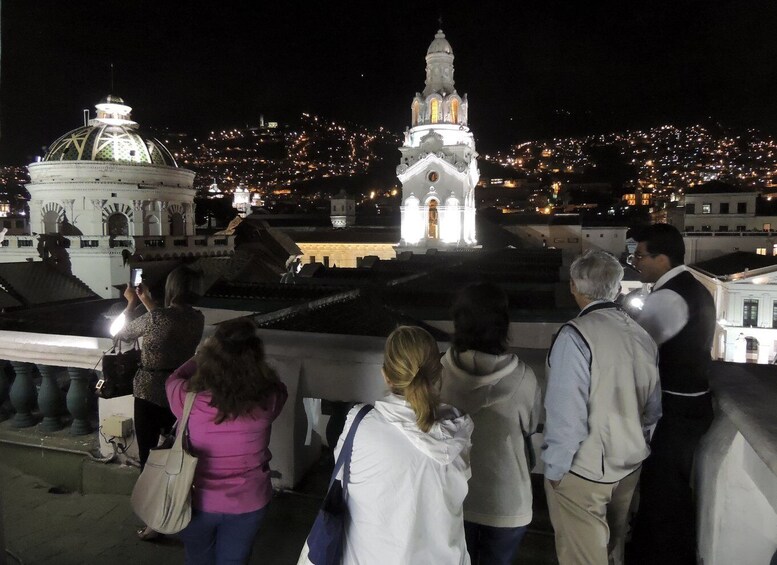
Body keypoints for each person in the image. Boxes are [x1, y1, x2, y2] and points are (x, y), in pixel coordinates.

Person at [542, 250, 662, 565]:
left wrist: (555, 471)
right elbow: (653, 410)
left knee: (581, 556)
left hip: (584, 470)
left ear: (574, 287)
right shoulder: (641, 335)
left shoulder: (575, 336)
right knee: (613, 549)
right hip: (630, 463)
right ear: (617, 288)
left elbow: (567, 415)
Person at [335, 326, 473, 564]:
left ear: (385, 375)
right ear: (438, 373)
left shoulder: (359, 425)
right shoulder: (458, 429)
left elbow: (341, 476)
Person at [627, 223, 716, 564]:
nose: (637, 262)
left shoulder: (667, 297)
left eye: (641, 256)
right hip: (692, 404)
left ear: (662, 259)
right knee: (672, 489)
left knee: (664, 491)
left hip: (675, 410)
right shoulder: (693, 288)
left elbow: (638, 350)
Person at [167, 317, 287, 565]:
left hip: (194, 497)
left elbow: (172, 379)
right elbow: (278, 386)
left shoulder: (188, 400)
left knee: (198, 559)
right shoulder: (269, 400)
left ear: (210, 360)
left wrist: (198, 357)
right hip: (249, 500)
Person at [440, 283, 541, 565]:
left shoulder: (438, 374)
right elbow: (531, 426)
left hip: (453, 497)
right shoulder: (523, 378)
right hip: (507, 500)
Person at [117, 266, 204, 540]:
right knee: (174, 453)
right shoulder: (197, 318)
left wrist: (132, 303)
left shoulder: (156, 317)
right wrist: (148, 303)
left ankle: (154, 520)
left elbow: (120, 332)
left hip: (149, 391)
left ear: (171, 288)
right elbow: (168, 321)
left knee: (150, 458)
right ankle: (178, 509)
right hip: (179, 394)